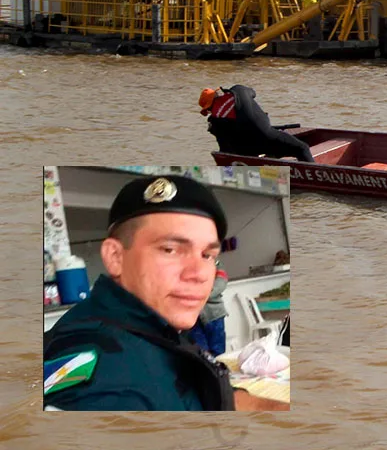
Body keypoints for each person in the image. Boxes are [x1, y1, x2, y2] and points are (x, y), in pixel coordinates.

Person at [43, 174, 285, 410]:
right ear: (115, 257)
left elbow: (211, 396)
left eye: (207, 255)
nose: (200, 273)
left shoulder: (153, 325)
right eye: (170, 250)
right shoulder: (102, 378)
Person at [199, 85, 314, 162]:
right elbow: (253, 93)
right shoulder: (239, 90)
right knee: (302, 148)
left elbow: (224, 147)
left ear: (208, 108)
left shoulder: (214, 121)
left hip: (245, 151)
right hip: (267, 136)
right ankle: (313, 176)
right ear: (217, 94)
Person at [189, 267, 228, 357]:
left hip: (214, 314)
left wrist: (200, 294)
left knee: (218, 351)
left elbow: (221, 283)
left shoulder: (216, 264)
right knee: (201, 352)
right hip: (193, 316)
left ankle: (218, 369)